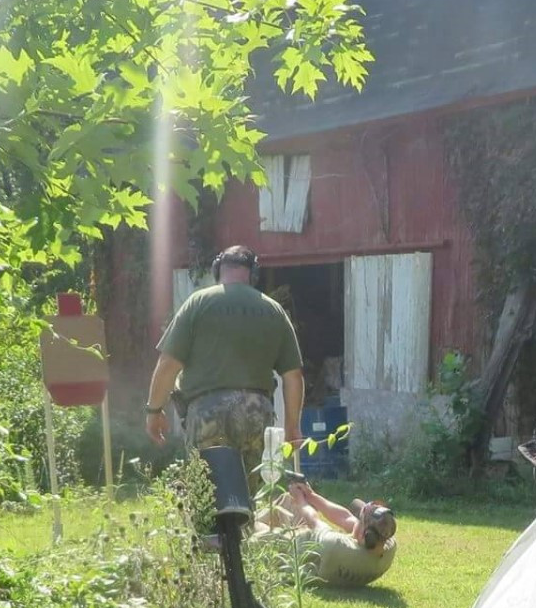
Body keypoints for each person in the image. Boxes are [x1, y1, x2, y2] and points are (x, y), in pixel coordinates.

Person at [144, 246, 304, 479]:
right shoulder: (274, 310)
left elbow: (169, 364)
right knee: (249, 493)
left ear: (217, 269)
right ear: (253, 273)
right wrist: (292, 427)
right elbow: (293, 376)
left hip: (207, 413)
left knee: (207, 492)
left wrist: (154, 410)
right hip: (256, 414)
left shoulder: (198, 302)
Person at [260, 476, 398, 588]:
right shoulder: (387, 547)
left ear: (363, 535)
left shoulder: (337, 546)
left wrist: (300, 499)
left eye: (359, 519)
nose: (355, 519)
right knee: (287, 499)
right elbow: (345, 518)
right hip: (311, 544)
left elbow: (313, 520)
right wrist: (311, 495)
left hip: (290, 547)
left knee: (254, 525)